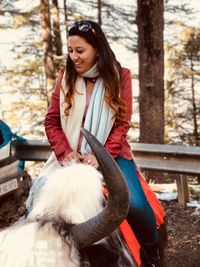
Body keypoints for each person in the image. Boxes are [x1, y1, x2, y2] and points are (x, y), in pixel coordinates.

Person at [44, 20, 165, 267]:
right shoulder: (64, 77)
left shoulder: (121, 77)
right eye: (70, 50)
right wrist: (66, 152)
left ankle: (153, 255)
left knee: (138, 206)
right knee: (35, 211)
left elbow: (121, 124)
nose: (74, 56)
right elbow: (52, 121)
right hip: (70, 156)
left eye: (80, 51)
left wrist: (101, 156)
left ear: (97, 49)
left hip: (112, 153)